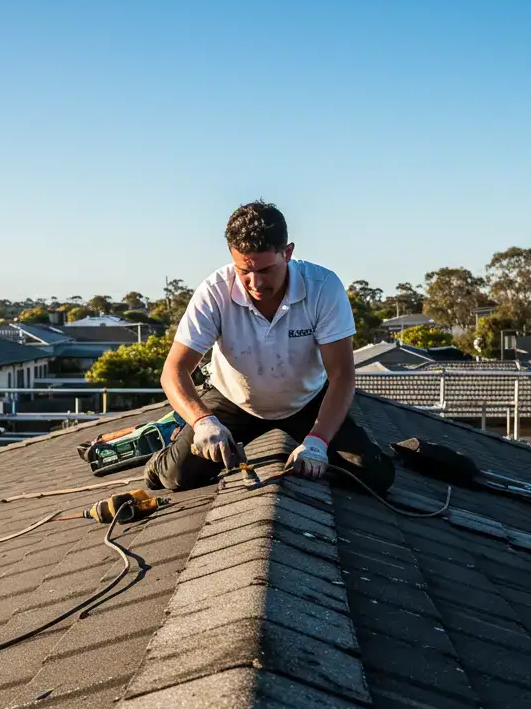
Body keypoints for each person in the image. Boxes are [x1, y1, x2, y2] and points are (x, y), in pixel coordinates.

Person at [145, 200, 395, 494]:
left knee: (375, 476)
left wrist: (317, 442)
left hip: (307, 402)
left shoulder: (323, 287)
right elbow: (174, 371)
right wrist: (202, 422)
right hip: (233, 402)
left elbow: (342, 375)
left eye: (265, 270)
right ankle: (161, 457)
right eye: (243, 271)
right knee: (176, 477)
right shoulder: (213, 291)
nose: (255, 282)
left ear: (287, 253)